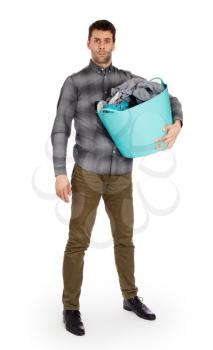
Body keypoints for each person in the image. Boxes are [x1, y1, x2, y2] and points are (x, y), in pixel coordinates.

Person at [51, 19, 183, 336]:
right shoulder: (74, 82)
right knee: (78, 242)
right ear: (88, 43)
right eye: (96, 40)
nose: (101, 46)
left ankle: (130, 296)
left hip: (122, 175)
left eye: (106, 40)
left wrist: (177, 122)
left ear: (114, 43)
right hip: (87, 174)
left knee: (125, 240)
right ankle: (70, 308)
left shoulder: (129, 80)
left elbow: (168, 98)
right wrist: (59, 173)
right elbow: (60, 128)